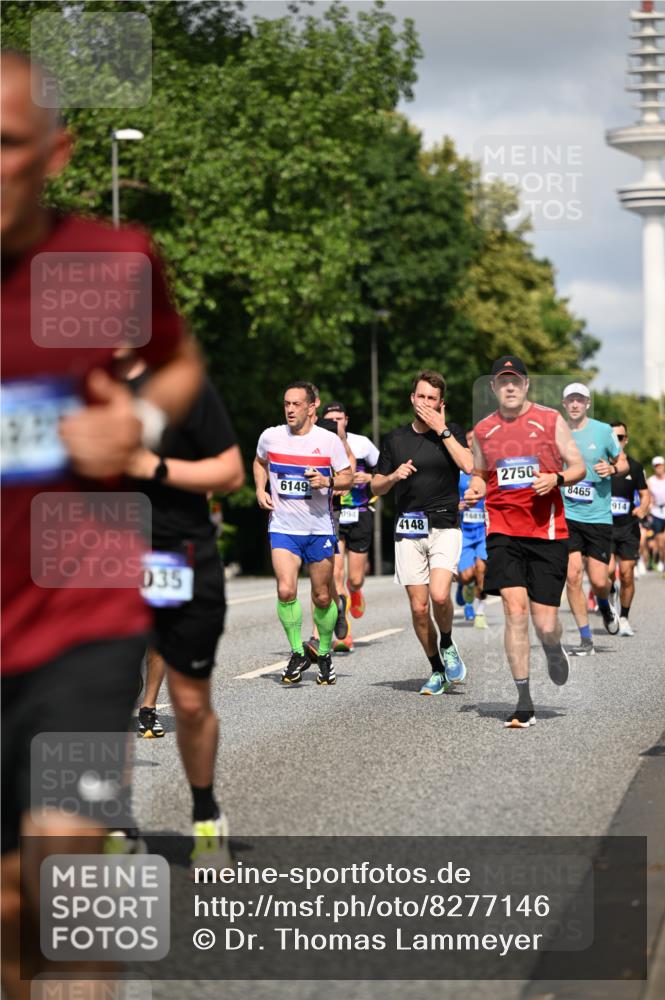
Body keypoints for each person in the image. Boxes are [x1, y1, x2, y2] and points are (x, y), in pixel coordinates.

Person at [1, 49, 202, 998]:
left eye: (5, 142)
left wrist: (142, 423)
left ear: (56, 153)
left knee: (66, 876)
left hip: (79, 620)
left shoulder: (106, 260)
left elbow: (176, 362)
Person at [121, 355, 243, 861]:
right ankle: (117, 824)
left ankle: (205, 812)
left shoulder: (180, 387)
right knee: (105, 698)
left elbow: (231, 472)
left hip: (177, 553)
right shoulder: (70, 385)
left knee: (190, 703)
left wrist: (154, 467)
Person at [465, 356, 586, 729]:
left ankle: (553, 647)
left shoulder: (550, 420)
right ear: (493, 388)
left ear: (526, 385)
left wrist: (557, 479)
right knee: (514, 611)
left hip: (546, 532)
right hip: (503, 531)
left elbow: (578, 466)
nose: (510, 387)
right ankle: (523, 701)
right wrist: (474, 488)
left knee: (545, 624)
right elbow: (480, 474)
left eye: (516, 380)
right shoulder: (484, 429)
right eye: (503, 381)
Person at [371, 370, 471, 694]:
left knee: (440, 595)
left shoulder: (451, 432)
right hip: (408, 528)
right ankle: (437, 669)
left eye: (432, 398)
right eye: (421, 396)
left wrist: (443, 430)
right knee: (418, 608)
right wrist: (393, 476)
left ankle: (448, 642)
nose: (426, 403)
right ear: (412, 398)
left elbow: (469, 465)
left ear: (441, 403)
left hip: (445, 525)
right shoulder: (395, 440)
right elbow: (376, 486)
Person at [253, 382, 353, 685]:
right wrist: (260, 488)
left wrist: (327, 481)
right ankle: (297, 651)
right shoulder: (271, 436)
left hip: (318, 528)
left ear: (311, 407)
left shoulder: (328, 440)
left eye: (296, 404)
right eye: (287, 404)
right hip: (283, 527)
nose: (290, 409)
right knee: (286, 590)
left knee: (322, 596)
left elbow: (348, 477)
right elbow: (260, 461)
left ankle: (323, 654)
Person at [561, 384, 628, 654]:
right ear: (564, 404)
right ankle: (586, 639)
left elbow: (623, 463)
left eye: (580, 400)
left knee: (599, 581)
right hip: (568, 514)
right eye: (571, 400)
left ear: (587, 403)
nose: (575, 404)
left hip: (598, 515)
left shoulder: (602, 431)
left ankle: (605, 601)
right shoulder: (557, 432)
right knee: (573, 576)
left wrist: (612, 468)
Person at [315, 402, 379, 648]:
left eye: (338, 419)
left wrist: (370, 477)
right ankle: (345, 632)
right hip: (335, 514)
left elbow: (384, 470)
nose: (335, 423)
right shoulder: (320, 443)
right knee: (336, 574)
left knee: (355, 578)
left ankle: (356, 590)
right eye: (330, 419)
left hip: (360, 513)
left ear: (346, 420)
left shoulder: (362, 443)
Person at [608, 421, 650, 636]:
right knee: (606, 573)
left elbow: (645, 494)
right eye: (613, 437)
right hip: (604, 527)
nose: (617, 441)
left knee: (626, 574)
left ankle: (623, 617)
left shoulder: (635, 466)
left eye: (621, 437)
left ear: (626, 440)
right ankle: (610, 591)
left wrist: (642, 508)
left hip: (627, 527)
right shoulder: (600, 465)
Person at [457, 429, 489, 628]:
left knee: (482, 570)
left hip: (484, 530)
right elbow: (446, 494)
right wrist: (456, 505)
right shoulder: (458, 468)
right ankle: (464, 587)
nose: (473, 442)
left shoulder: (489, 465)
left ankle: (480, 611)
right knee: (467, 575)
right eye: (470, 439)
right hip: (464, 530)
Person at [647, 455, 665, 574]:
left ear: (664, 466)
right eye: (656, 466)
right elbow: (648, 497)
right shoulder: (650, 481)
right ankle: (662, 561)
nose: (658, 468)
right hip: (656, 513)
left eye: (660, 465)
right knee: (660, 543)